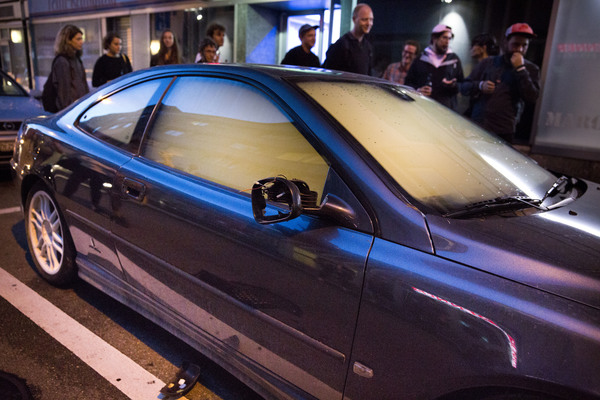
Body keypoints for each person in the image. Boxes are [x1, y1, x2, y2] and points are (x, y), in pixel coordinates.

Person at [461, 23, 540, 143]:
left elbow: (532, 97)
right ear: (505, 42)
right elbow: (463, 87)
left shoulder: (531, 69)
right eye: (515, 44)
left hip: (504, 130)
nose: (520, 49)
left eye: (524, 45)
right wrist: (480, 85)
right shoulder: (488, 63)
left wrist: (520, 69)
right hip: (479, 125)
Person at [405, 24, 464, 110]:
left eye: (449, 38)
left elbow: (462, 84)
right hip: (424, 109)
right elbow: (408, 83)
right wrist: (417, 90)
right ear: (434, 38)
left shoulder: (454, 60)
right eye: (444, 38)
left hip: (446, 110)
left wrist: (453, 85)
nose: (447, 42)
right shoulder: (420, 59)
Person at [44, 24, 89, 112]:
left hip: (79, 108)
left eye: (81, 39)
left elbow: (83, 85)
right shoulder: (62, 61)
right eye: (78, 39)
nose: (81, 42)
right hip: (71, 110)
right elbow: (64, 94)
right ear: (68, 40)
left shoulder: (76, 59)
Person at [322, 3, 373, 75]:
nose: (369, 23)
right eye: (364, 19)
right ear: (354, 19)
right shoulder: (342, 44)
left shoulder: (367, 46)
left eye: (371, 19)